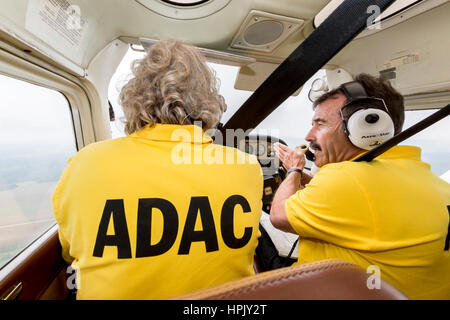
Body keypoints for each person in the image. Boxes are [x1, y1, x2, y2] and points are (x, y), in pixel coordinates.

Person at [52, 40, 263, 300]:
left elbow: (71, 251)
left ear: (134, 98)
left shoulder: (84, 165)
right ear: (207, 101)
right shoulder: (245, 167)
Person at [271, 73, 450, 299]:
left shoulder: (344, 178)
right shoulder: (434, 183)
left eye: (320, 124)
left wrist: (294, 169)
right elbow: (371, 204)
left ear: (364, 126)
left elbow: (278, 215)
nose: (309, 136)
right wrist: (313, 181)